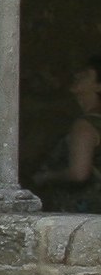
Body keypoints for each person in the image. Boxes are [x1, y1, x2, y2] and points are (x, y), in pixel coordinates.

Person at [30, 56, 101, 211]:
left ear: (98, 86)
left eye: (86, 74)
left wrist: (46, 176)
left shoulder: (86, 125)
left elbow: (79, 173)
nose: (77, 75)